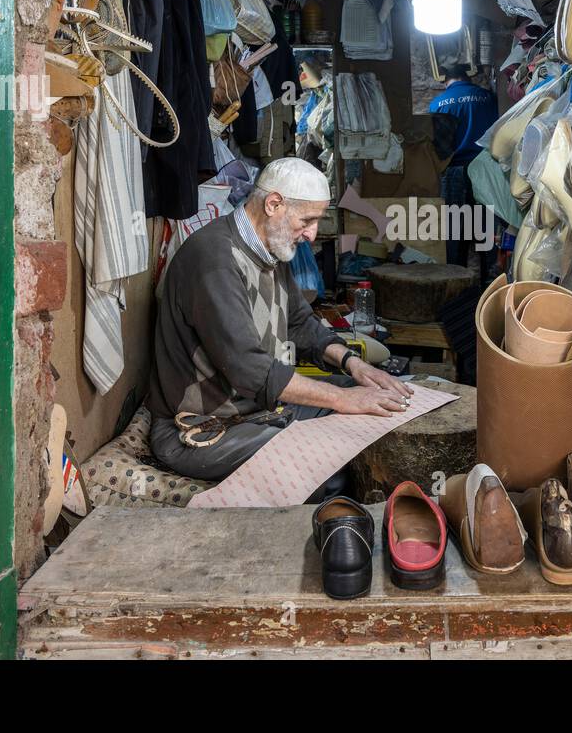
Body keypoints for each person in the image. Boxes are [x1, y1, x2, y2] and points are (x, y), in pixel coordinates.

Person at [147, 157, 415, 492]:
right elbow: (250, 369)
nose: (312, 234)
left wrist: (353, 364)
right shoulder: (213, 259)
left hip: (255, 411)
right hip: (203, 430)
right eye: (307, 220)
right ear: (274, 204)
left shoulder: (270, 250)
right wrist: (341, 399)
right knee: (327, 467)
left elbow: (300, 322)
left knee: (365, 398)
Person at [427, 66, 499, 274]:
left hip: (455, 171)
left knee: (455, 232)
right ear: (467, 78)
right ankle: (490, 283)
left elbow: (438, 147)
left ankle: (457, 283)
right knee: (488, 229)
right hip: (486, 169)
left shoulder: (438, 103)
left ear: (446, 82)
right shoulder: (488, 97)